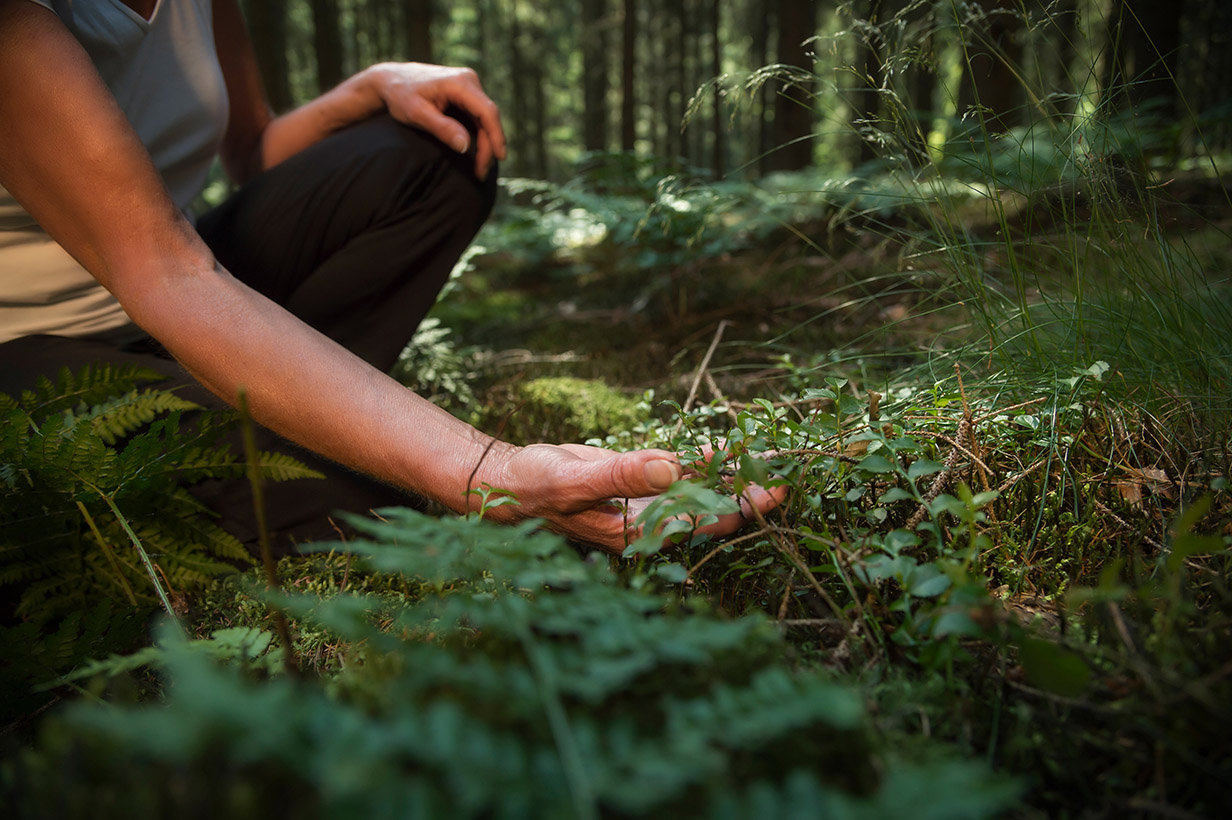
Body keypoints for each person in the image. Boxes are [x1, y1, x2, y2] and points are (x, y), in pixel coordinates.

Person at [0, 0, 785, 555]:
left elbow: (254, 157)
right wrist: (490, 471)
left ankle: (284, 402)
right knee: (369, 497)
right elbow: (168, 273)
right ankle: (294, 432)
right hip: (44, 344)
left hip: (188, 279)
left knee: (439, 149)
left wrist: (371, 88)